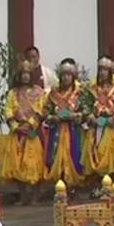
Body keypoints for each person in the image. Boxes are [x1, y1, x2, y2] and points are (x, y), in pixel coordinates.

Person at [0, 61, 46, 205]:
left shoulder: (38, 92)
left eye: (28, 74)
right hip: (17, 133)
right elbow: (8, 110)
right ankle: (23, 196)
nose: (25, 77)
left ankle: (35, 197)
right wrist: (16, 126)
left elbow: (41, 110)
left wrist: (30, 124)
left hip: (32, 133)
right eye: (23, 74)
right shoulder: (13, 93)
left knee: (34, 164)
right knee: (17, 164)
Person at [80, 56, 114, 185]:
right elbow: (85, 105)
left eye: (106, 70)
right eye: (101, 70)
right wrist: (90, 116)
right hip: (96, 125)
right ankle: (98, 184)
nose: (103, 73)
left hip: (111, 126)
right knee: (95, 152)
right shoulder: (92, 87)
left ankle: (113, 182)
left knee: (112, 153)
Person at [44, 60, 85, 189]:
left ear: (73, 77)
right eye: (64, 75)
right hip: (57, 130)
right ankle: (59, 184)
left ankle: (72, 186)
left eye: (69, 75)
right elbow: (45, 111)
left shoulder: (79, 93)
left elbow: (86, 110)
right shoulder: (54, 93)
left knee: (74, 155)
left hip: (73, 130)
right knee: (56, 156)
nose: (66, 77)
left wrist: (76, 116)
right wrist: (53, 117)